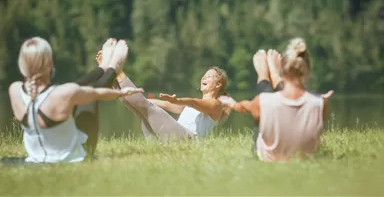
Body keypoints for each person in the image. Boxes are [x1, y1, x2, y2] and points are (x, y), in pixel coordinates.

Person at [5, 37, 144, 164]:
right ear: (50, 63)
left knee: (75, 92)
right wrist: (120, 92)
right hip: (73, 158)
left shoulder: (15, 90)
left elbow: (75, 89)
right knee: (87, 100)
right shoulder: (62, 94)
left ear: (22, 66)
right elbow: (95, 92)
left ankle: (104, 67)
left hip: (34, 160)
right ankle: (112, 67)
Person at [221, 38, 334, 162]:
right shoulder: (321, 103)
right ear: (308, 71)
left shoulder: (261, 102)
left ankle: (263, 74)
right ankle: (273, 74)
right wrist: (319, 99)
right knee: (269, 102)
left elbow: (243, 106)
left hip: (270, 157)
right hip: (306, 158)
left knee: (264, 99)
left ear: (283, 70)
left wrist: (232, 104)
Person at [96, 51, 234, 140]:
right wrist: (142, 99)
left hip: (187, 141)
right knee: (138, 108)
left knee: (145, 106)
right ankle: (115, 81)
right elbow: (168, 105)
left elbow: (193, 102)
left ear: (218, 85)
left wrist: (177, 100)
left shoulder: (216, 105)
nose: (204, 77)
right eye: (204, 75)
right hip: (172, 138)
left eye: (209, 76)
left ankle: (117, 69)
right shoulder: (190, 107)